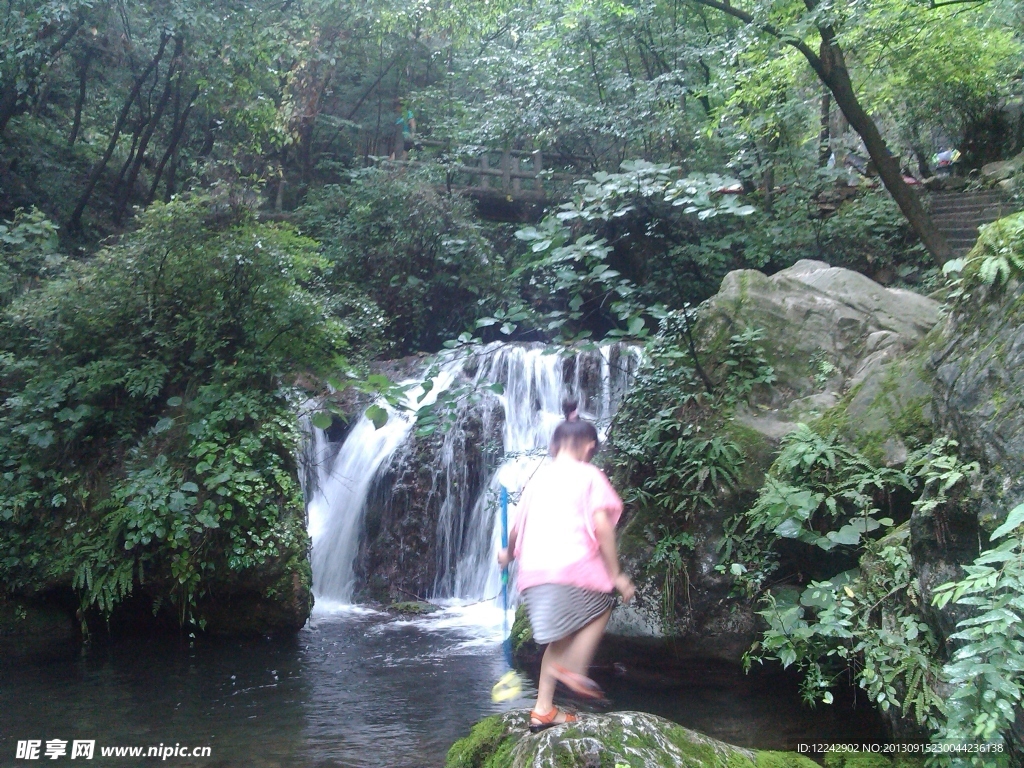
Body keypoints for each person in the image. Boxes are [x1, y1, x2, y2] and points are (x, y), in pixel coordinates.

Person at [498, 417, 635, 733]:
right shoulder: (590, 476)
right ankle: (574, 668)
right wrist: (616, 575)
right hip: (573, 569)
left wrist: (506, 554)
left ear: (553, 446)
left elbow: (516, 528)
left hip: (533, 575)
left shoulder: (536, 481)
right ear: (589, 447)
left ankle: (543, 710)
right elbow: (602, 526)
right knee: (602, 607)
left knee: (557, 641)